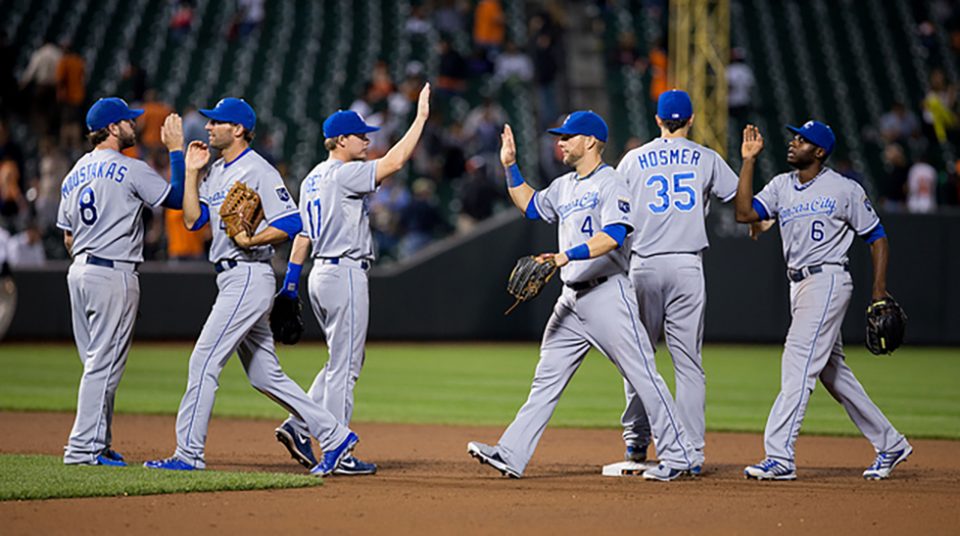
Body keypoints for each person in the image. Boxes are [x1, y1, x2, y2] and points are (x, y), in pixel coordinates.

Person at [466, 112, 699, 481]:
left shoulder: (611, 183)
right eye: (559, 136)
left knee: (643, 376)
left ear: (590, 141)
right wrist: (511, 167)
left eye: (567, 136)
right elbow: (530, 205)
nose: (560, 142)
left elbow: (614, 236)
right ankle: (511, 453)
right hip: (571, 301)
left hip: (608, 294)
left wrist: (564, 256)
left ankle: (680, 454)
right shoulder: (564, 186)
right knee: (545, 380)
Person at [144, 98, 358, 476]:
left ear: (238, 129)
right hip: (230, 277)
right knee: (264, 375)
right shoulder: (214, 171)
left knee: (203, 361)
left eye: (217, 122)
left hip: (247, 274)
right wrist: (191, 172)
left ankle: (188, 453)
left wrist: (253, 240)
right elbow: (193, 221)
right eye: (209, 122)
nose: (208, 128)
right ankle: (335, 435)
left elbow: (292, 222)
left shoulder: (259, 169)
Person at [734, 121, 912, 480]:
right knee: (833, 374)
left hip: (827, 279)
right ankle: (890, 443)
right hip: (797, 285)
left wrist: (879, 289)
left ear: (819, 152)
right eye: (794, 136)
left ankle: (779, 455)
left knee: (797, 362)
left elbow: (877, 237)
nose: (793, 142)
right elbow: (744, 214)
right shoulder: (782, 185)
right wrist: (749, 161)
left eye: (802, 140)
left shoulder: (843, 189)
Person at [273, 85, 431, 475]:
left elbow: (304, 235)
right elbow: (393, 163)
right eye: (362, 135)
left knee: (338, 361)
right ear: (341, 140)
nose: (367, 140)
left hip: (318, 275)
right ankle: (337, 449)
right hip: (344, 272)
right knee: (346, 367)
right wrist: (421, 119)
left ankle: (299, 425)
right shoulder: (344, 175)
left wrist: (291, 284)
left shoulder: (312, 177)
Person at [615, 89, 740, 468]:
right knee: (688, 363)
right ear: (690, 120)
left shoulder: (633, 159)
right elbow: (740, 198)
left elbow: (613, 212)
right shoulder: (706, 157)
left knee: (638, 358)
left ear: (657, 120)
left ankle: (637, 442)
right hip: (686, 265)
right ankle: (692, 450)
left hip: (643, 265)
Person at [57, 97, 185, 465]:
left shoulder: (74, 172)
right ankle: (82, 449)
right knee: (104, 366)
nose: (134, 125)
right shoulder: (130, 168)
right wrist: (176, 151)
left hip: (79, 270)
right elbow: (174, 198)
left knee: (96, 363)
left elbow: (67, 236)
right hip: (113, 272)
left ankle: (98, 443)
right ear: (113, 128)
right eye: (128, 121)